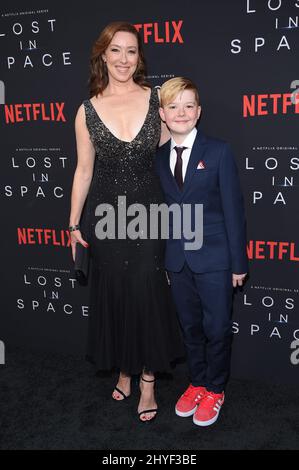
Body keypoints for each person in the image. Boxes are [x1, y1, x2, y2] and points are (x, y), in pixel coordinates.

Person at [68, 22, 184, 423]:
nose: (122, 59)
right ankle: (123, 371)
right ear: (103, 55)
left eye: (131, 51)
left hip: (148, 216)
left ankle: (148, 382)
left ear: (139, 57)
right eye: (115, 51)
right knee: (115, 294)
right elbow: (83, 171)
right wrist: (72, 226)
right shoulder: (87, 110)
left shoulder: (157, 100)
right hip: (104, 218)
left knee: (146, 295)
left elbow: (175, 151)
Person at [155, 77, 248, 426]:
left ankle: (215, 389)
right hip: (178, 260)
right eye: (174, 106)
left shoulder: (219, 151)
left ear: (199, 111)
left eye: (189, 105)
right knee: (190, 327)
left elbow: (234, 211)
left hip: (216, 259)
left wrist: (238, 262)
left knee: (218, 327)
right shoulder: (159, 157)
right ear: (163, 114)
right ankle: (196, 382)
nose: (182, 112)